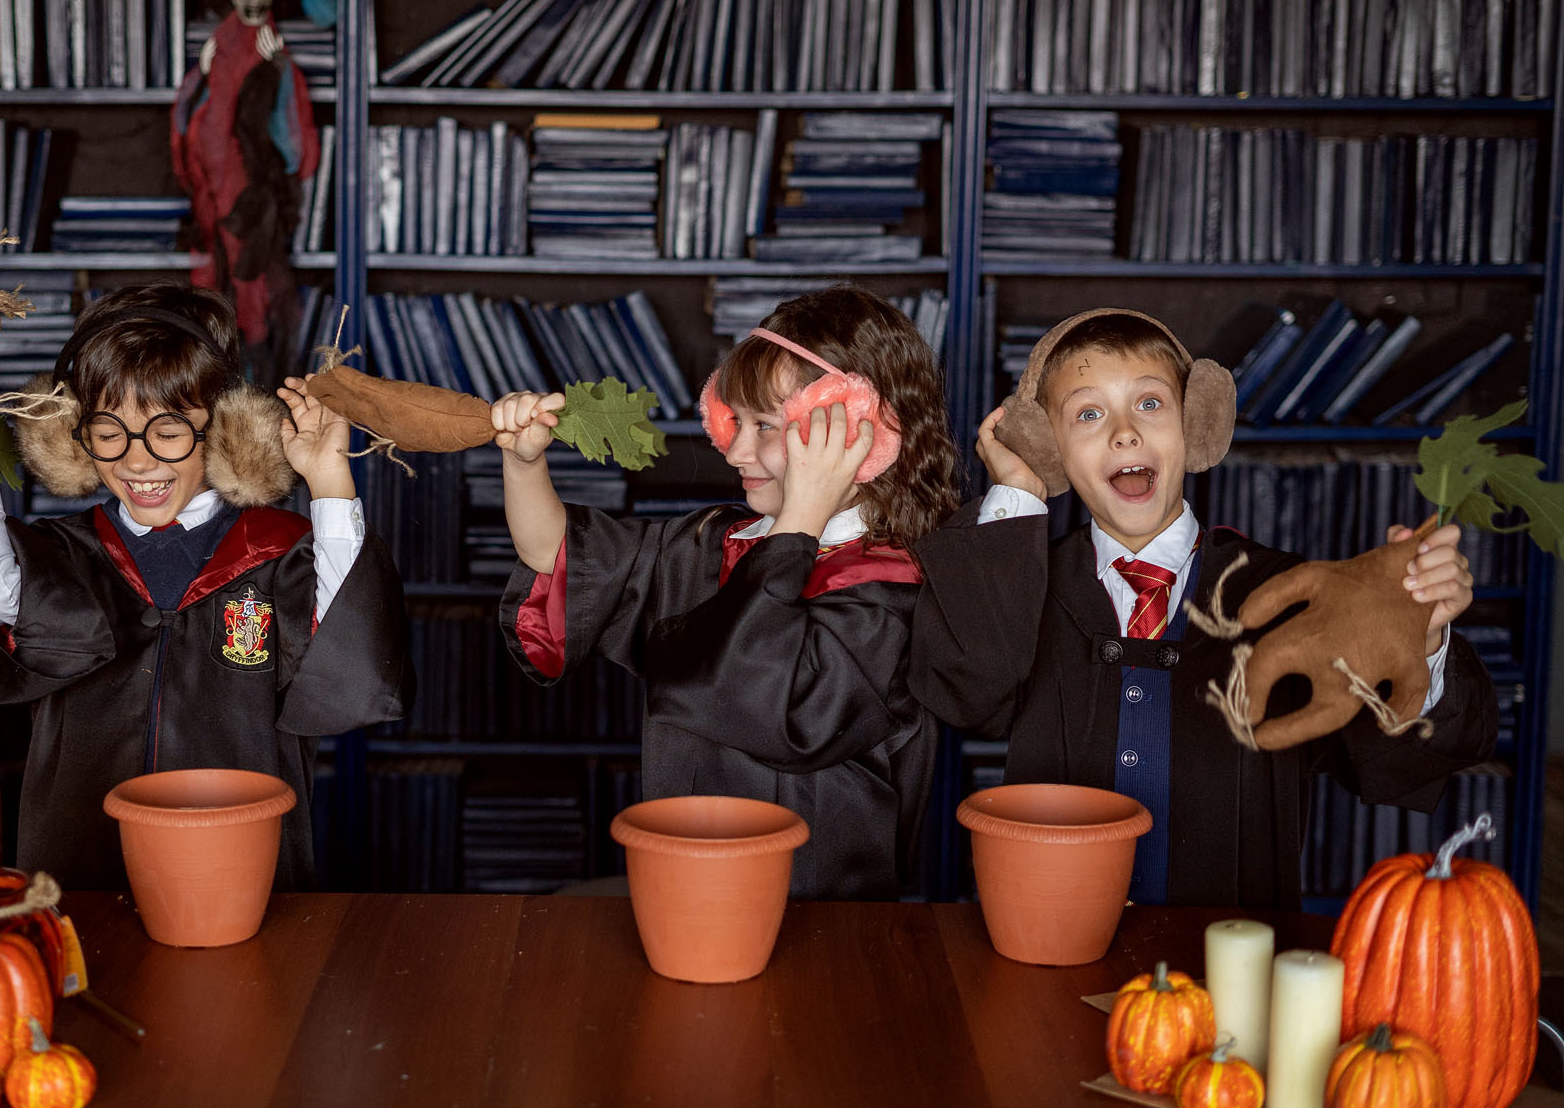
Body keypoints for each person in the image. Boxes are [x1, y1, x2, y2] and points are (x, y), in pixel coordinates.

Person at [908, 308, 1497, 908]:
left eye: (1150, 404)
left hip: (1228, 959)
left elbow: (1398, 757)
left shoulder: (1292, 592)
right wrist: (1016, 495)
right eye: (1088, 414)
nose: (1124, 433)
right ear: (1049, 448)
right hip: (1053, 937)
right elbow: (967, 693)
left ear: (1198, 424)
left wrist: (1419, 637)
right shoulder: (1024, 586)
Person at [0, 282, 409, 895]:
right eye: (108, 432)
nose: (138, 461)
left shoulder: (280, 556)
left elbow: (353, 641)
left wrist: (329, 481)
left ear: (226, 430)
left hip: (238, 877)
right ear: (73, 436)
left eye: (169, 430)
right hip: (85, 882)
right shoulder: (62, 555)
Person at [493, 285, 963, 900]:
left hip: (817, 912)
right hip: (689, 878)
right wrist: (524, 465)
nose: (735, 450)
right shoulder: (717, 542)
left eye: (765, 425)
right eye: (733, 420)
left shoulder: (887, 588)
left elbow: (763, 690)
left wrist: (802, 519)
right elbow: (564, 559)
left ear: (859, 436)